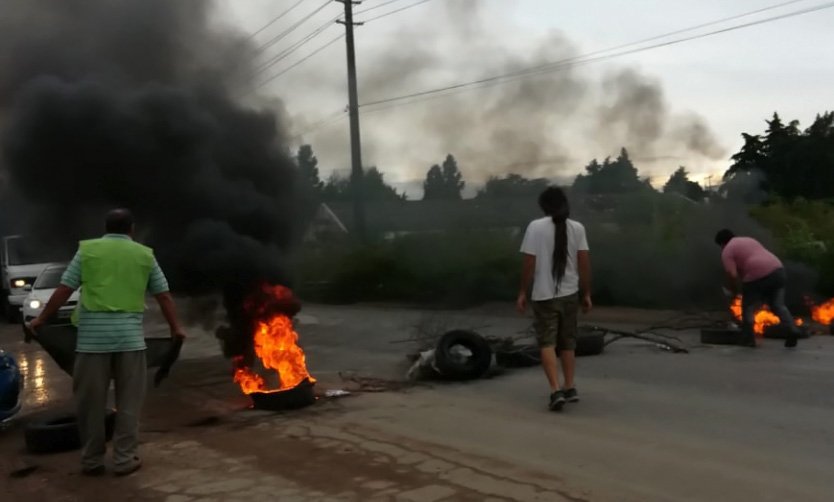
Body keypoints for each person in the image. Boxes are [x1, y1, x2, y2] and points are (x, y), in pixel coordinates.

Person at [28, 209, 186, 476]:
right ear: (131, 229)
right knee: (129, 404)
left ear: (106, 228)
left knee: (90, 405)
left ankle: (92, 461)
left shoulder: (88, 251)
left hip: (92, 343)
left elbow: (64, 289)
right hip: (130, 341)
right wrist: (176, 329)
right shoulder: (143, 255)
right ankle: (124, 460)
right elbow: (164, 296)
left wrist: (41, 319)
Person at [517, 187, 592, 411]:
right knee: (568, 342)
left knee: (547, 343)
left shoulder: (535, 227)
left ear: (543, 206)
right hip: (570, 294)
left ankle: (555, 390)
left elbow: (529, 263)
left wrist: (522, 291)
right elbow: (584, 263)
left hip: (544, 295)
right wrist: (586, 293)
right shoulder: (577, 228)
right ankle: (570, 386)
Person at [715, 228, 798, 348]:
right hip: (778, 270)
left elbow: (732, 275)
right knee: (778, 305)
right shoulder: (749, 240)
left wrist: (734, 291)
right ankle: (792, 329)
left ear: (722, 243)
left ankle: (748, 339)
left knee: (748, 307)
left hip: (757, 275)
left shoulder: (727, 251)